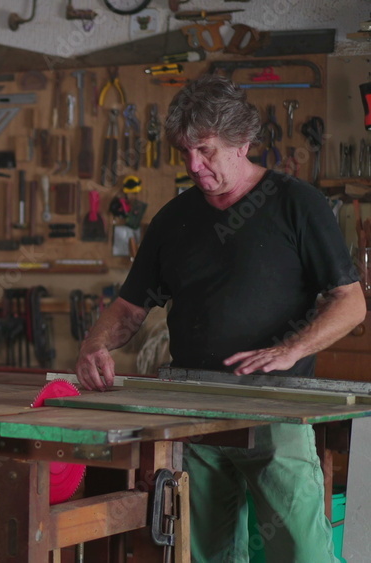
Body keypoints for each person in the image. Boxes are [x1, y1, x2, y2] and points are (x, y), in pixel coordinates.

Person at [75, 74, 364, 562]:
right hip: (195, 415)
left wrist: (290, 349)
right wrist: (94, 345)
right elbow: (129, 308)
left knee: (302, 553)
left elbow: (350, 301)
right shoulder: (172, 220)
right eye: (185, 152)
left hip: (277, 412)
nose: (193, 165)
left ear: (243, 143)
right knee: (207, 554)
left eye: (205, 150)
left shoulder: (298, 204)